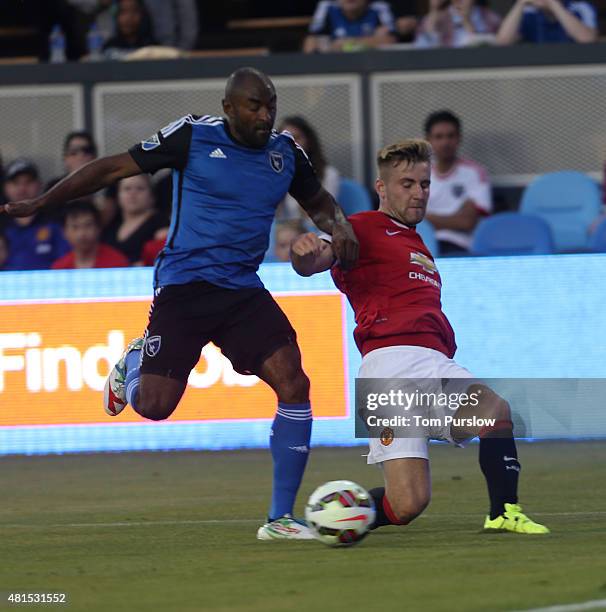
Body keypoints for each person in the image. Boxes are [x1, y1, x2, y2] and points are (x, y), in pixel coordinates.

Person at [2, 67, 359, 541]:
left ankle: (279, 519)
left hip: (241, 289)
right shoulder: (193, 134)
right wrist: (43, 201)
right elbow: (111, 168)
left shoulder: (285, 152)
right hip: (184, 285)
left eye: (270, 105)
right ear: (229, 107)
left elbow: (318, 201)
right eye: (254, 106)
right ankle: (134, 363)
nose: (264, 115)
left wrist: (341, 226)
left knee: (295, 383)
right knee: (154, 406)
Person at [289, 139, 549, 535]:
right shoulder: (361, 227)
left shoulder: (416, 241)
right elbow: (319, 257)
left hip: (427, 363)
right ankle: (333, 517)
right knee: (407, 504)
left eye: (424, 184)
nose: (418, 192)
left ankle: (503, 513)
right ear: (382, 188)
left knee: (494, 414)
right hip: (391, 365)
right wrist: (305, 252)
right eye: (407, 183)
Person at [423, 110, 491, 254]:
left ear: (459, 138)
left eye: (450, 136)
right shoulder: (418, 173)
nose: (445, 142)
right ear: (428, 140)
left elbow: (466, 222)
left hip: (459, 247)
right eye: (438, 137)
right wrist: (454, 217)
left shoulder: (475, 173)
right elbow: (409, 219)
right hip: (422, 245)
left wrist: (426, 219)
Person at [2, 159, 69, 271]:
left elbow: (67, 260)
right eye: (16, 183)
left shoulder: (54, 220)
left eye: (28, 182)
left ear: (39, 185)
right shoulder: (2, 226)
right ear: (5, 187)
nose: (22, 189)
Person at [276, 116, 341, 227]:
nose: (290, 145)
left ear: (309, 141)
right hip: (281, 237)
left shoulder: (329, 174)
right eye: (285, 139)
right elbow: (272, 219)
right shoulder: (274, 171)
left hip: (314, 234)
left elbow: (326, 217)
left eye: (296, 138)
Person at [103, 174, 168, 263]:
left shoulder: (161, 222)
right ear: (118, 196)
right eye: (127, 189)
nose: (132, 194)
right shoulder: (111, 225)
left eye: (140, 188)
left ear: (152, 196)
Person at [52, 200, 130, 269]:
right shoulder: (60, 268)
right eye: (75, 227)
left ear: (99, 227)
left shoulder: (117, 263)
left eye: (88, 225)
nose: (82, 233)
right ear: (64, 232)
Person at [304, 0, 397, 53]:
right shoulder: (326, 7)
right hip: (334, 68)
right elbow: (310, 42)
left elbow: (390, 40)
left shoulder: (379, 8)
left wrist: (346, 44)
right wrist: (371, 41)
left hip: (371, 65)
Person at [496, 0, 597, 44]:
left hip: (576, 71)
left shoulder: (580, 8)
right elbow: (503, 41)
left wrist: (554, 5)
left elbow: (587, 39)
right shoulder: (529, 13)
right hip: (540, 73)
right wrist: (520, 3)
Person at [415, 0, 501, 47]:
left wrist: (467, 22)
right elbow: (421, 51)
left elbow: (490, 53)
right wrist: (434, 12)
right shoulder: (437, 18)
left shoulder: (490, 19)